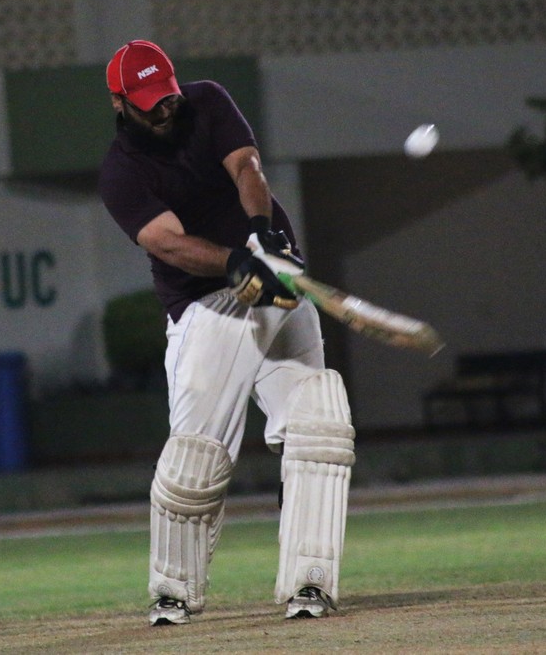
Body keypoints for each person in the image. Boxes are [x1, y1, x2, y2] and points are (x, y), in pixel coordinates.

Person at [98, 40, 357, 625]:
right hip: (206, 307)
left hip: (278, 290)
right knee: (196, 461)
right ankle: (173, 591)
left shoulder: (208, 101)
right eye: (148, 103)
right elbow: (167, 243)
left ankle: (310, 583)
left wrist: (261, 232)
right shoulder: (121, 172)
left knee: (318, 431)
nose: (164, 109)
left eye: (166, 95)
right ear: (119, 102)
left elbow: (246, 167)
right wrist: (238, 262)